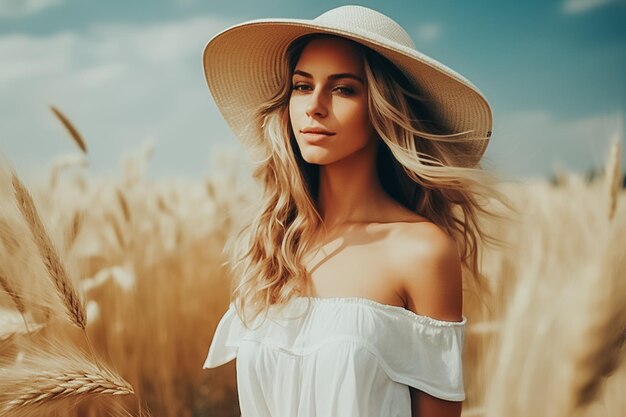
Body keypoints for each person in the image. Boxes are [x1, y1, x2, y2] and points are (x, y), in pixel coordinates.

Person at [201, 5, 513, 417]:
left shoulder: (421, 251)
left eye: (343, 89)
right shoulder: (272, 246)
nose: (314, 106)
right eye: (301, 86)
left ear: (383, 108)